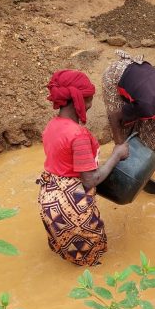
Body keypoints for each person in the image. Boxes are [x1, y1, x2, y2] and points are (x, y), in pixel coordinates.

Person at [37, 69, 129, 266]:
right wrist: (117, 154)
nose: (89, 105)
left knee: (66, 256)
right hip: (72, 207)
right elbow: (90, 180)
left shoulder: (52, 125)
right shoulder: (78, 135)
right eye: (89, 99)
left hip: (49, 202)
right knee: (91, 264)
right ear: (78, 99)